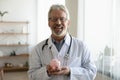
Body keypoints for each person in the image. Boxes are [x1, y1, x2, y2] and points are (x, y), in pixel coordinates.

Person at [28, 4, 97, 80]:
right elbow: (32, 75)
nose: (58, 23)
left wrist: (71, 71)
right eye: (54, 19)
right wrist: (46, 71)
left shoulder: (82, 46)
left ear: (68, 23)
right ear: (49, 23)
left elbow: (91, 73)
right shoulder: (38, 49)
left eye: (62, 19)